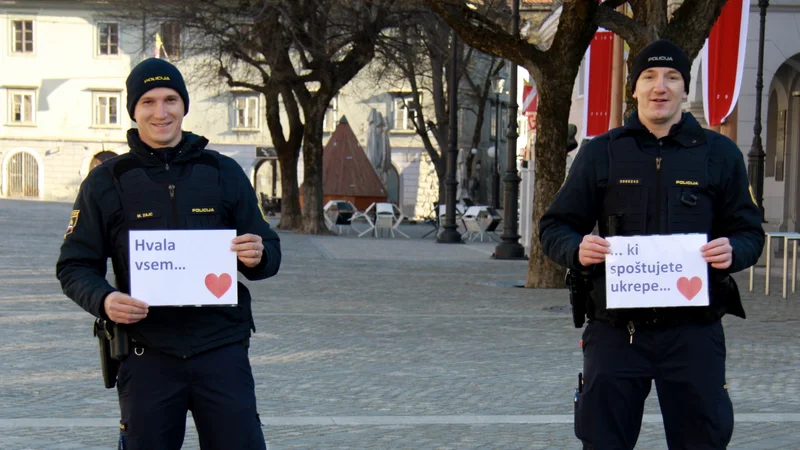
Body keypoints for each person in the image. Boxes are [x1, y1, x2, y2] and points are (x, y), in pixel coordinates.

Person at [539, 39, 764, 449]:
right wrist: (576, 250)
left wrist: (734, 250)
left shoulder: (720, 155)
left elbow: (750, 233)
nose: (660, 86)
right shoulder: (600, 153)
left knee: (703, 440)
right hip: (615, 333)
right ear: (635, 88)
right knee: (604, 441)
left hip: (694, 333)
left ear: (685, 88)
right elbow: (554, 227)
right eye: (649, 77)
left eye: (672, 77)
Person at [56, 58, 280, 450]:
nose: (161, 112)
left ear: (184, 105)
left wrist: (257, 255)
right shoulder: (106, 182)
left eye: (171, 99)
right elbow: (74, 266)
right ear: (134, 110)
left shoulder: (223, 172)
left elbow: (270, 253)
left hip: (221, 348)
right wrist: (105, 300)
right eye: (148, 102)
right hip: (146, 353)